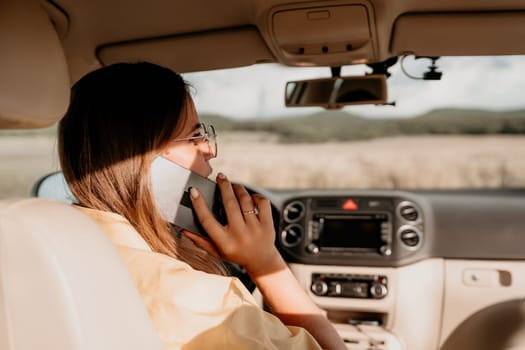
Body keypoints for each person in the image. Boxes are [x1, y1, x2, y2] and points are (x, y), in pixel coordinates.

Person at [58, 62, 346, 350]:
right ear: (146, 163)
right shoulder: (198, 299)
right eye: (195, 136)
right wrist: (266, 262)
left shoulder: (49, 249)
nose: (208, 149)